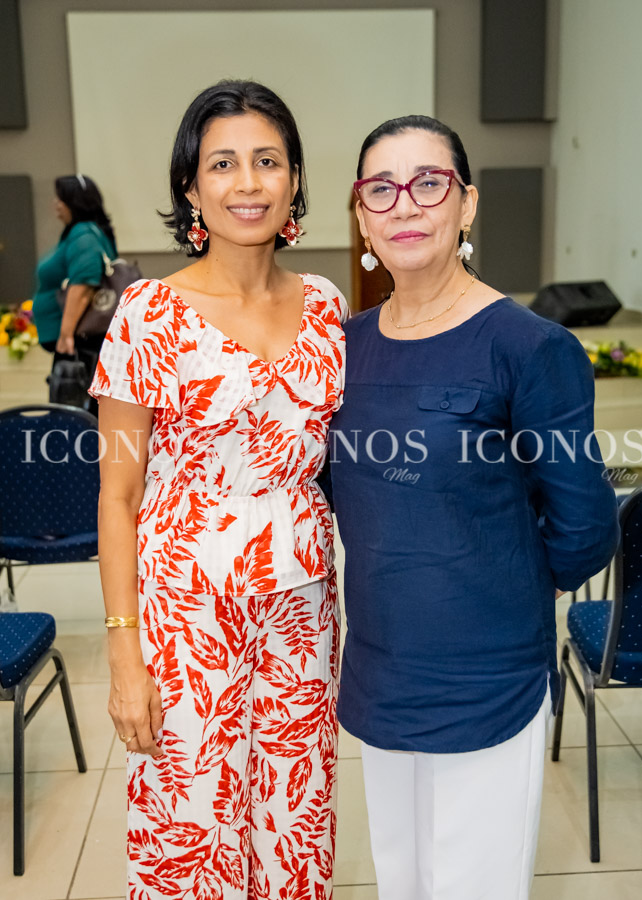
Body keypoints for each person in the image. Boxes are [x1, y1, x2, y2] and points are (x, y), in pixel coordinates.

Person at [328, 115, 620, 900]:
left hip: (487, 674)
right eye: (379, 189)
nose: (404, 205)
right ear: (360, 215)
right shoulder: (340, 348)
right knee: (402, 879)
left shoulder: (526, 346)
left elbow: (587, 527)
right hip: (381, 667)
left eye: (429, 183)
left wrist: (500, 585)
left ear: (467, 205)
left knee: (472, 886)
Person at [88, 80, 347, 899]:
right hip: (184, 615)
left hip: (302, 608)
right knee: (189, 829)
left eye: (267, 161)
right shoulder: (148, 315)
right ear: (191, 188)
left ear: (295, 179)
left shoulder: (328, 308)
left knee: (295, 817)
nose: (247, 183)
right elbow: (118, 497)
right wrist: (124, 653)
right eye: (223, 164)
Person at [32, 174, 117, 398]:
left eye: (60, 198)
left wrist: (66, 335)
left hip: (78, 344)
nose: (55, 204)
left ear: (74, 203)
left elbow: (83, 286)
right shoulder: (79, 232)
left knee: (73, 414)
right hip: (79, 342)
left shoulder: (83, 234)